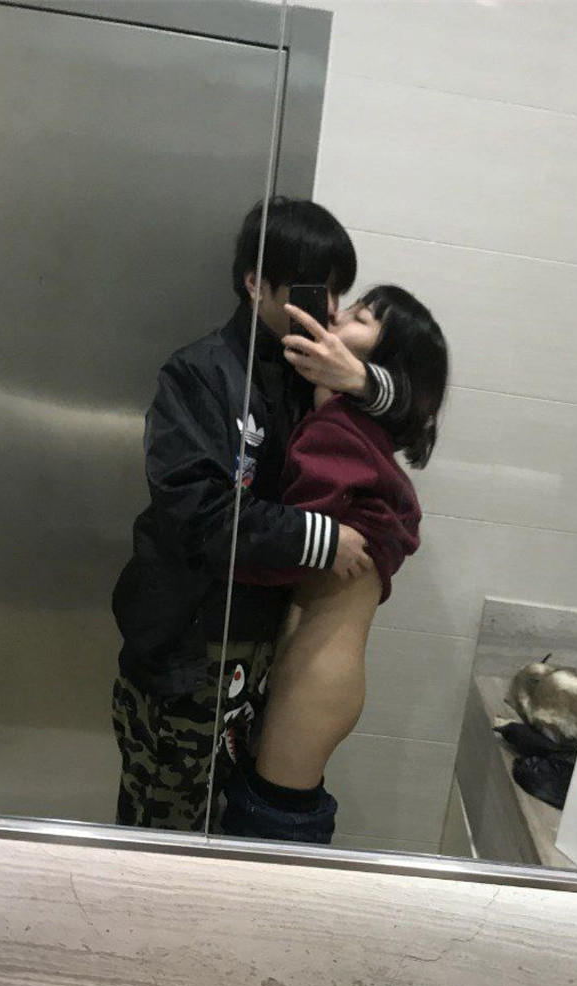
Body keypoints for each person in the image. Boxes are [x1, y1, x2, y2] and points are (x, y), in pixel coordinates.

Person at [111, 198, 400, 832]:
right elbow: (198, 513)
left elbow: (414, 413)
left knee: (221, 825)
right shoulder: (198, 375)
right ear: (255, 283)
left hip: (256, 659)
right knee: (162, 832)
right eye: (313, 289)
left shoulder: (307, 376)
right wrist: (320, 538)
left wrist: (363, 383)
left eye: (337, 292)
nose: (328, 308)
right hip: (185, 655)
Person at [223, 285, 449, 844]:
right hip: (325, 668)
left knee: (270, 827)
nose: (337, 313)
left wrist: (215, 552)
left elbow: (287, 550)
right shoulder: (355, 429)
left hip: (315, 675)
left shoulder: (336, 432)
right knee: (279, 814)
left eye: (360, 316)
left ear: (379, 359)